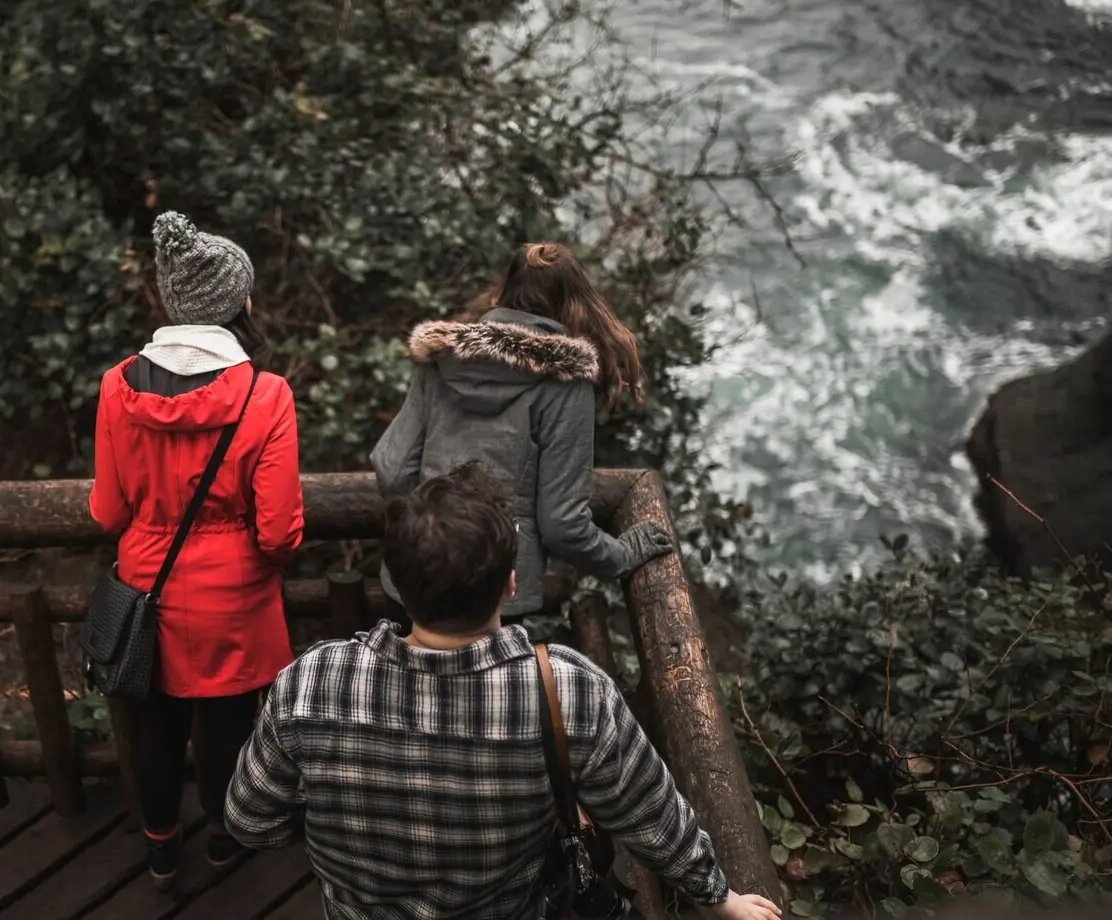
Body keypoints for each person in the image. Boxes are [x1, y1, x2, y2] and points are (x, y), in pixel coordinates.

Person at [225, 461, 782, 920]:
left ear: (395, 580)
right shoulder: (566, 691)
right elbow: (648, 812)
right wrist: (719, 897)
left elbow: (249, 819)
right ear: (510, 582)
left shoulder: (310, 684)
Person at [88, 211, 304, 888]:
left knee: (156, 728)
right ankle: (223, 838)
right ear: (237, 304)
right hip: (233, 599)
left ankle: (158, 846)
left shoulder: (117, 386)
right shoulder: (264, 395)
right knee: (227, 729)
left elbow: (109, 511)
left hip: (146, 591)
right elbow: (278, 532)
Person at [370, 242, 675, 631]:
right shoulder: (564, 383)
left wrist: (429, 535)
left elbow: (391, 467)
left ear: (504, 291)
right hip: (495, 591)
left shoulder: (441, 359)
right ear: (577, 302)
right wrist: (622, 554)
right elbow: (563, 524)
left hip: (415, 575)